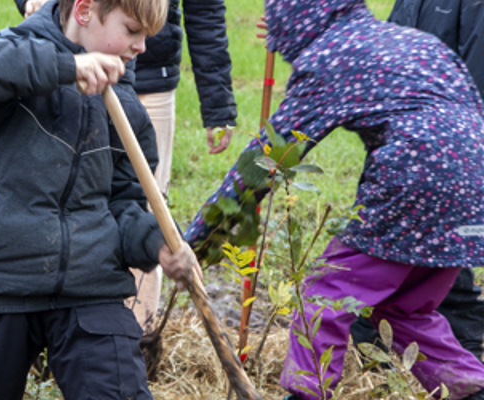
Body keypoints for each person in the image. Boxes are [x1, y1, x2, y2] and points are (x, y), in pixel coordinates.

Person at [184, 0, 484, 398]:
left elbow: (268, 157)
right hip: (474, 182)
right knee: (405, 309)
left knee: (325, 294)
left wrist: (199, 238)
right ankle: (473, 389)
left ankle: (306, 394)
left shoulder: (329, 58)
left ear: (292, 24)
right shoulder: (408, 41)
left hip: (416, 179)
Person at [0, 0, 200, 397]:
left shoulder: (125, 106)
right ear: (85, 10)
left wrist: (156, 243)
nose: (141, 46)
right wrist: (66, 68)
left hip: (91, 289)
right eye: (132, 30)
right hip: (0, 285)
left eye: (146, 36)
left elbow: (124, 203)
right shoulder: (13, 53)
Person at [17, 0, 237, 334]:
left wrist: (218, 104)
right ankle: (50, 324)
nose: (139, 41)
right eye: (133, 31)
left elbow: (204, 10)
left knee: (144, 203)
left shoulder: (142, 53)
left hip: (151, 81)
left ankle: (136, 330)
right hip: (66, 63)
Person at [350, 0, 484, 362]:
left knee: (442, 278)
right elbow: (391, 57)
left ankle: (468, 375)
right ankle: (374, 370)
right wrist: (307, 40)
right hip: (401, 159)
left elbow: (475, 89)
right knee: (378, 270)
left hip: (443, 166)